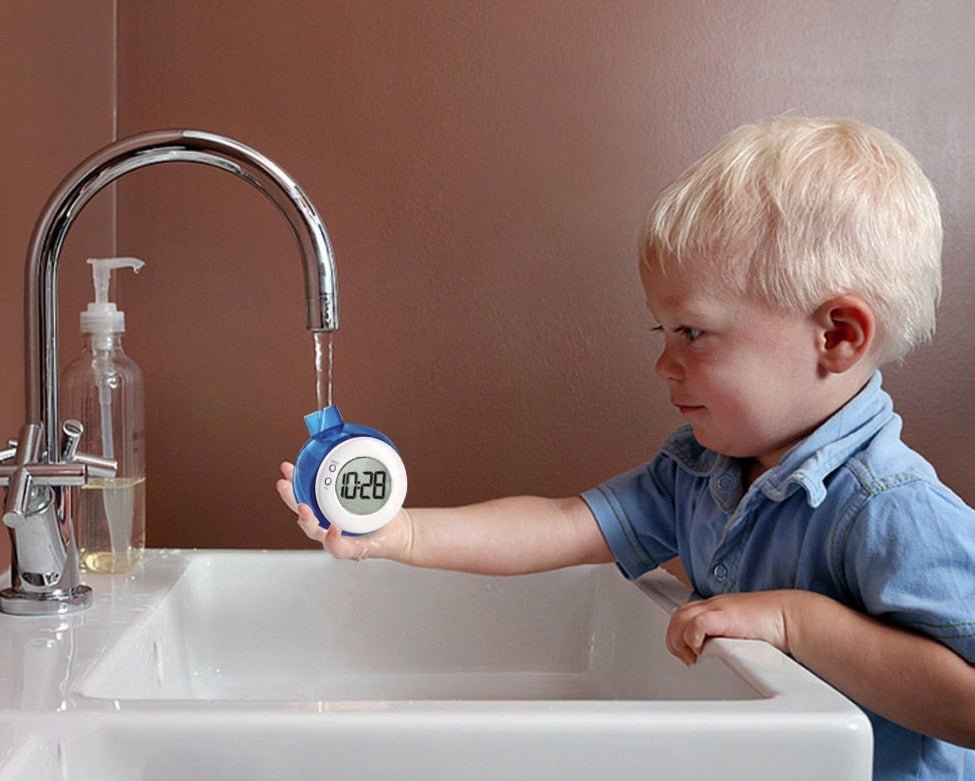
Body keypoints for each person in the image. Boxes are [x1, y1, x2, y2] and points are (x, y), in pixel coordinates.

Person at [277, 116, 975, 780]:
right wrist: (402, 532)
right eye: (660, 334)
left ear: (836, 336)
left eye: (692, 333)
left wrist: (800, 621)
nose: (663, 365)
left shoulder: (889, 509)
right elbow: (561, 523)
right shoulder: (700, 474)